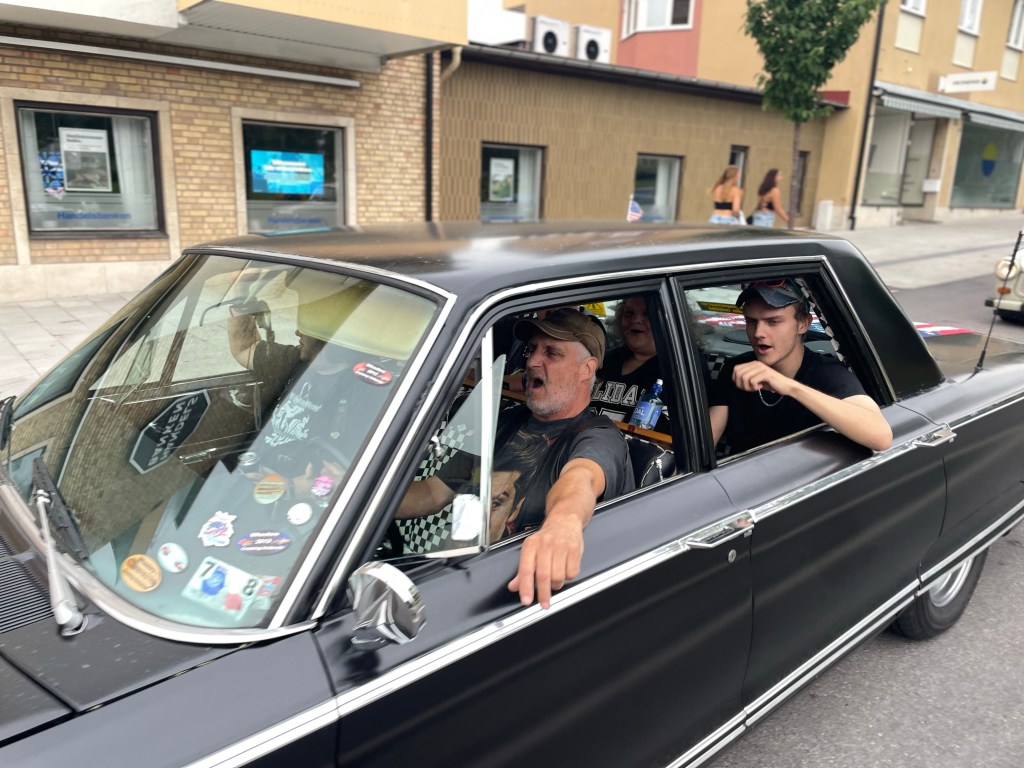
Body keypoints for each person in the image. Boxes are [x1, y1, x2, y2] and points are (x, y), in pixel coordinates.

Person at [397, 308, 634, 608]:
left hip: (519, 595)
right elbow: (433, 492)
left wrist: (563, 521)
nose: (532, 361)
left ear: (586, 369)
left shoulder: (598, 436)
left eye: (552, 353)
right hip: (454, 577)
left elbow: (582, 479)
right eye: (532, 349)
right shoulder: (505, 421)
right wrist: (367, 502)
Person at [227, 285, 378, 499]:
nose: (297, 332)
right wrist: (241, 293)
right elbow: (244, 348)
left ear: (331, 334)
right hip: (249, 479)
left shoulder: (364, 392)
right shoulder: (293, 361)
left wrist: (293, 488)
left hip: (294, 498)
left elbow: (347, 477)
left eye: (307, 328)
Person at [709, 279, 893, 454]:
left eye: (773, 322)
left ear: (803, 324)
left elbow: (881, 436)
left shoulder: (825, 373)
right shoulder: (737, 368)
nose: (758, 333)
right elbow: (708, 440)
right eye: (751, 321)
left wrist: (791, 387)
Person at [591, 296, 670, 434]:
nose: (636, 320)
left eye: (647, 314)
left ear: (667, 322)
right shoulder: (606, 360)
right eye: (629, 313)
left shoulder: (679, 368)